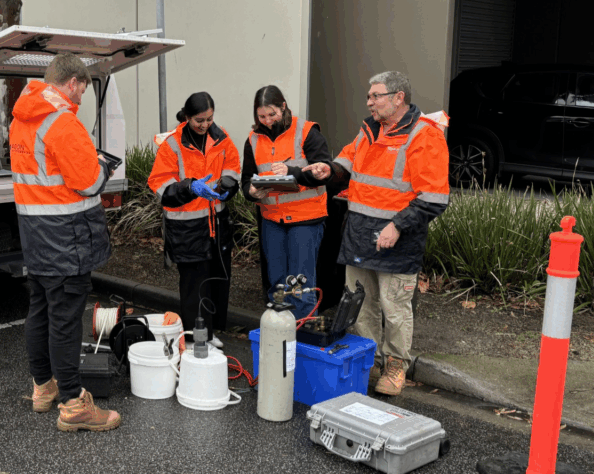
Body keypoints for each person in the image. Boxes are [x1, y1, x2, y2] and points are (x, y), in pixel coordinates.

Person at [305, 71, 450, 396]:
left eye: (376, 96)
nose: (369, 101)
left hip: (397, 241)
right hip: (359, 235)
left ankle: (396, 367)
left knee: (395, 308)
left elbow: (434, 197)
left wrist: (396, 226)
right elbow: (348, 160)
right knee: (361, 305)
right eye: (369, 96)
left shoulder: (424, 136)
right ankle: (367, 361)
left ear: (398, 98)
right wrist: (330, 169)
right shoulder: (368, 130)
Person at [10, 53, 120, 432]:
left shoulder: (22, 119)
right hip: (67, 237)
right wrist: (103, 165)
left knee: (40, 310)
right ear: (73, 82)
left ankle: (44, 388)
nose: (81, 98)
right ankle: (73, 404)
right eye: (83, 90)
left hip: (36, 234)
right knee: (66, 321)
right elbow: (88, 182)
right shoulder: (63, 122)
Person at [147, 92, 241, 348]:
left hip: (217, 225)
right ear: (187, 117)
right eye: (200, 120)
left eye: (209, 119)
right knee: (194, 287)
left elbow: (232, 166)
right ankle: (197, 338)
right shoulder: (173, 144)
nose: (205, 124)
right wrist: (190, 188)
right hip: (187, 228)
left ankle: (209, 333)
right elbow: (160, 184)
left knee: (217, 281)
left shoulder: (221, 138)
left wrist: (229, 185)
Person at [241, 86, 330, 318]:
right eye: (261, 116)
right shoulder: (253, 139)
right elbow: (246, 180)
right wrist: (251, 192)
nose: (268, 121)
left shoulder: (308, 131)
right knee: (277, 283)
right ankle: (278, 335)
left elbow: (323, 171)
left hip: (306, 220)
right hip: (272, 219)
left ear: (283, 107)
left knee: (300, 285)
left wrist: (292, 172)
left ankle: (303, 340)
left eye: (272, 114)